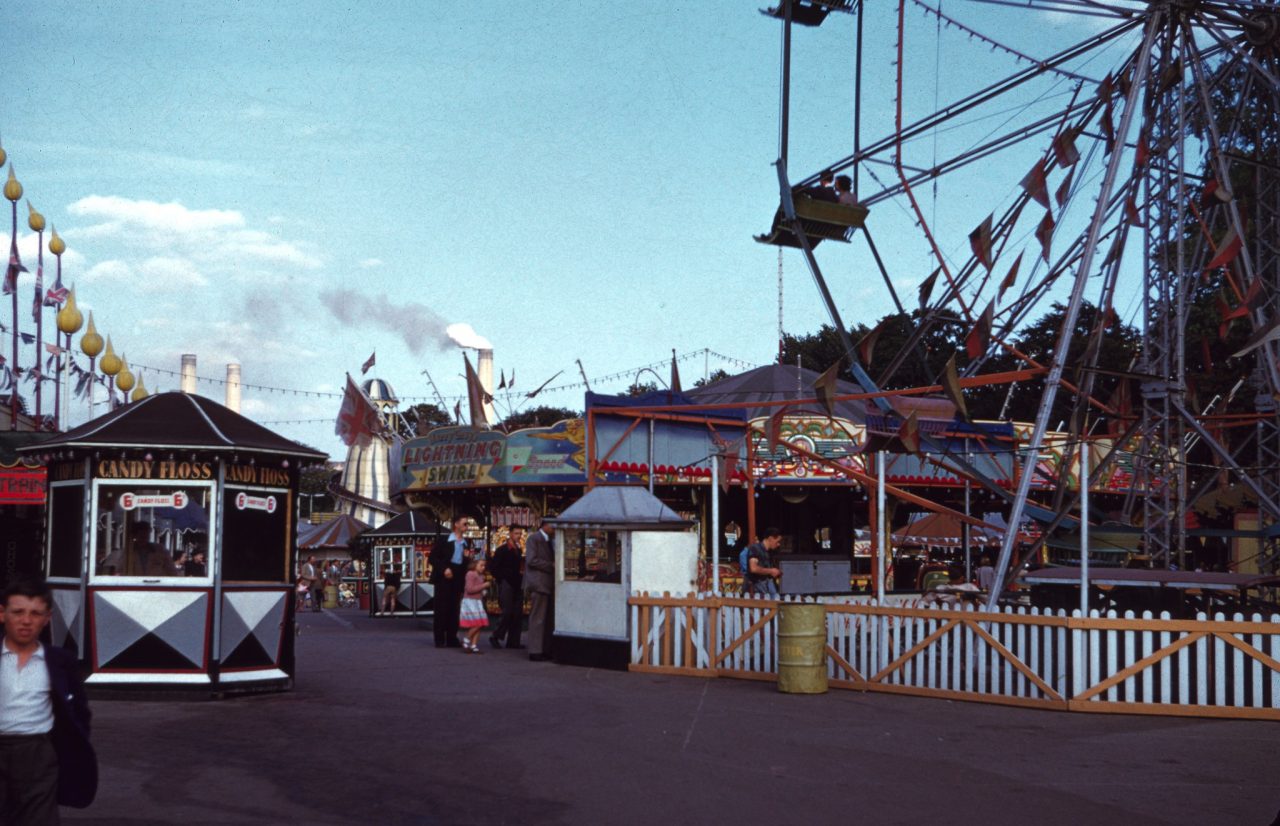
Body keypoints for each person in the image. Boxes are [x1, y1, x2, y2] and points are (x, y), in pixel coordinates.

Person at [0, 577, 98, 822]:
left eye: (36, 614)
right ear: (2, 614)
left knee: (39, 817)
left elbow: (79, 711)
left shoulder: (60, 661)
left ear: (47, 618)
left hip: (37, 753)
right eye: (18, 612)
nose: (26, 621)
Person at [429, 516, 472, 648]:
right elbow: (432, 558)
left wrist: (467, 559)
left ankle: (452, 637)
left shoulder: (466, 543)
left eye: (468, 524)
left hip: (458, 576)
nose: (467, 526)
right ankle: (439, 638)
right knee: (442, 608)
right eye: (464, 523)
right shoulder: (444, 540)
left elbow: (465, 564)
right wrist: (444, 569)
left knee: (454, 609)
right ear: (456, 524)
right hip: (444, 577)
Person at [524, 519, 555, 662]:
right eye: (552, 525)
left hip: (546, 584)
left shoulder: (549, 539)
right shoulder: (534, 539)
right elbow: (531, 560)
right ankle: (535, 650)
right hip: (539, 583)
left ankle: (544, 649)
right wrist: (551, 565)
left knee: (546, 619)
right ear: (545, 525)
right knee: (538, 617)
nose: (554, 528)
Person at [488, 527, 525, 649]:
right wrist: (501, 579)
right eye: (516, 533)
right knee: (507, 611)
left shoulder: (518, 549)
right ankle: (496, 635)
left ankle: (514, 641)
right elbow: (493, 567)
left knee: (517, 613)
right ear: (510, 534)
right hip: (507, 583)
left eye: (520, 533)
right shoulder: (502, 550)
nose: (518, 536)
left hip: (517, 583)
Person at [459, 559, 490, 654]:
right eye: (481, 565)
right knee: (478, 623)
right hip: (470, 602)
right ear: (475, 565)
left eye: (484, 566)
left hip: (477, 601)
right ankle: (466, 639)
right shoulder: (470, 574)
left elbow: (478, 589)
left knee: (479, 624)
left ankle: (474, 645)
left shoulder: (481, 576)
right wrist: (484, 586)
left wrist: (484, 591)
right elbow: (470, 589)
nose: (483, 567)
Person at [744, 527, 784, 597]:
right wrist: (771, 571)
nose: (778, 544)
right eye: (777, 542)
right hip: (758, 590)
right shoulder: (755, 549)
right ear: (770, 538)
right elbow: (753, 568)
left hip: (768, 589)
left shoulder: (770, 552)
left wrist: (775, 573)